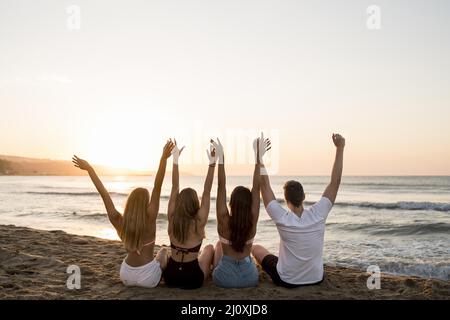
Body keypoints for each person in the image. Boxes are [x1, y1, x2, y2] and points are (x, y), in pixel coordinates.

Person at [72, 139, 175, 288]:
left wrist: (90, 170)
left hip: (126, 275)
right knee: (164, 251)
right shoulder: (150, 218)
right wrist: (163, 159)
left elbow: (104, 194)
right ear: (146, 203)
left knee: (157, 256)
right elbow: (157, 186)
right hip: (148, 279)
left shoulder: (118, 221)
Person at [252, 133, 346, 288]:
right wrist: (340, 149)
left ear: (285, 200)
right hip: (316, 278)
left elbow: (265, 186)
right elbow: (335, 183)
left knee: (256, 249)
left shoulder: (282, 217)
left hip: (287, 280)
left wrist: (259, 158)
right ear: (304, 196)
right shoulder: (319, 213)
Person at [210, 136, 270, 288]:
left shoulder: (223, 219)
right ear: (249, 204)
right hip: (249, 278)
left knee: (218, 246)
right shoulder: (252, 218)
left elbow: (220, 186)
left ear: (231, 203)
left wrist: (221, 158)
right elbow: (256, 187)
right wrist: (258, 157)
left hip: (223, 278)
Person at [162, 140, 216, 289]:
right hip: (193, 279)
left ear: (179, 202)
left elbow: (174, 187)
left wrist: (175, 160)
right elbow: (207, 191)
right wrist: (212, 164)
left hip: (170, 277)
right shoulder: (199, 222)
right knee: (210, 248)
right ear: (195, 204)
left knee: (163, 252)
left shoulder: (172, 218)